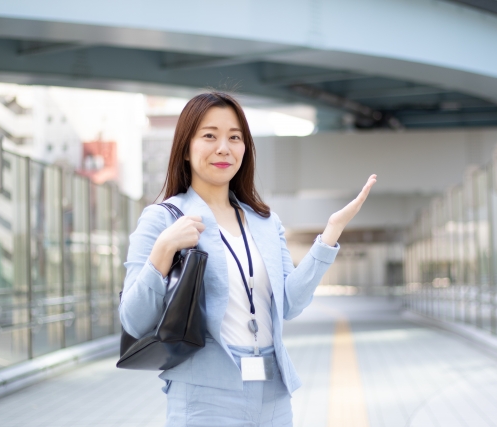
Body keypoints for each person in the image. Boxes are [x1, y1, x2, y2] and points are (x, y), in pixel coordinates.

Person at [119, 92, 376, 427]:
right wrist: (163, 250)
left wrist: (329, 235)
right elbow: (133, 321)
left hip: (273, 394)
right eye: (209, 135)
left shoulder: (265, 222)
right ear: (185, 147)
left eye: (235, 137)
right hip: (205, 396)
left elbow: (290, 304)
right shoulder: (162, 219)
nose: (224, 147)